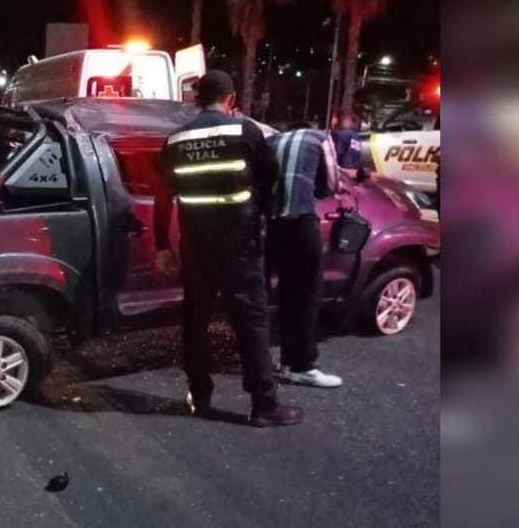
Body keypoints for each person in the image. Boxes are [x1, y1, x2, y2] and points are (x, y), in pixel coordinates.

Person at [153, 71, 303, 427]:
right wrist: (262, 219)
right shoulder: (245, 131)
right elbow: (270, 180)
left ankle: (200, 396)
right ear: (231, 99)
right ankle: (264, 406)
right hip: (239, 243)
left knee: (195, 320)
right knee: (250, 321)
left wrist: (162, 245)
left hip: (195, 245)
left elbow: (163, 196)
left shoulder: (176, 139)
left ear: (195, 99)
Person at [267, 121, 347, 388]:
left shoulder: (271, 141)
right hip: (300, 223)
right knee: (306, 294)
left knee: (276, 293)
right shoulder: (320, 137)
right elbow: (331, 184)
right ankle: (300, 366)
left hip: (270, 226)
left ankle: (274, 359)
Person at [330, 110, 363, 175]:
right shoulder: (356, 135)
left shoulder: (345, 134)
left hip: (344, 169)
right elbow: (356, 153)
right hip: (353, 168)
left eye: (344, 119)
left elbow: (338, 152)